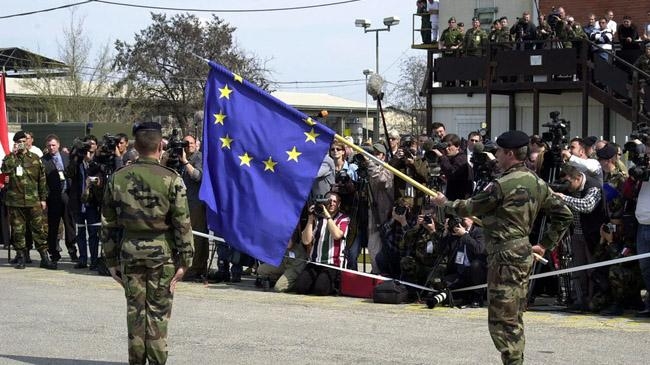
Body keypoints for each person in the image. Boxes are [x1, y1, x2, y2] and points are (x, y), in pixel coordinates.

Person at [431, 130, 572, 365]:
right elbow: (564, 215)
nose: (495, 155)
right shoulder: (538, 183)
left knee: (502, 320)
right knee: (514, 315)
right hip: (521, 253)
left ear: (509, 153)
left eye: (498, 151)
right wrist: (545, 245)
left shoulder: (502, 185)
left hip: (505, 257)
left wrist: (445, 204)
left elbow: (469, 207)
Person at [101, 122, 194, 365]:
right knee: (158, 315)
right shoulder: (172, 179)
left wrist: (110, 262)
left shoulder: (117, 178)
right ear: (160, 146)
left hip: (130, 253)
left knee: (136, 314)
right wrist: (185, 261)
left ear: (136, 146)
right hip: (161, 256)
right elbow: (182, 224)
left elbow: (108, 224)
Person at [1, 131, 57, 270]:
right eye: (18, 141)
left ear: (27, 141)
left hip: (33, 201)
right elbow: (4, 169)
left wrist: (43, 199)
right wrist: (13, 154)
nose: (22, 143)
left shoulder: (35, 158)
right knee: (18, 231)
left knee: (39, 230)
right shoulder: (11, 158)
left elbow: (42, 180)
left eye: (23, 140)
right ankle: (21, 257)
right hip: (16, 201)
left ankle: (45, 258)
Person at [295, 191, 350, 295]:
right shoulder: (318, 219)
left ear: (339, 204)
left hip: (333, 264)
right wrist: (310, 218)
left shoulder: (343, 219)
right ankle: (316, 282)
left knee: (320, 290)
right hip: (315, 262)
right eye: (329, 201)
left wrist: (327, 216)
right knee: (300, 288)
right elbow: (306, 240)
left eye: (335, 201)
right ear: (324, 203)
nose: (332, 203)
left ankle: (332, 286)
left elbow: (337, 235)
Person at [42, 134, 77, 264]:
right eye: (49, 145)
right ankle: (54, 253)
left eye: (53, 145)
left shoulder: (67, 157)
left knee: (70, 225)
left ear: (58, 145)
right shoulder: (43, 161)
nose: (51, 148)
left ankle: (72, 250)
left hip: (67, 195)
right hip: (53, 197)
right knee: (53, 226)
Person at [179, 134, 208, 281]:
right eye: (186, 143)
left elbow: (198, 176)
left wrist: (185, 162)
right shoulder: (179, 157)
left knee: (197, 236)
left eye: (191, 143)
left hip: (196, 203)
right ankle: (189, 265)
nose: (189, 145)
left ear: (196, 144)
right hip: (183, 203)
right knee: (186, 237)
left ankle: (197, 268)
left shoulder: (199, 157)